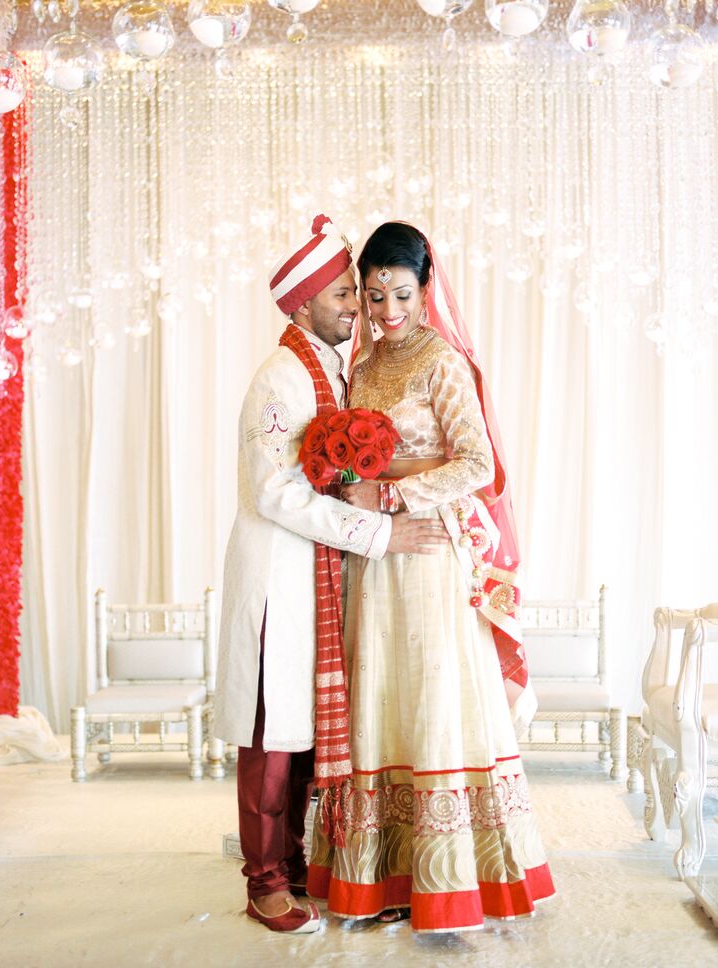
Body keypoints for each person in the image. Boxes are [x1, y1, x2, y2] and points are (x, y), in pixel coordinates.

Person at [307, 221, 555, 933]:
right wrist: (349, 483)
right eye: (375, 295)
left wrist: (390, 489)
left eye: (401, 295)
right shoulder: (361, 367)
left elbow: (478, 467)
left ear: (426, 291)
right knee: (377, 695)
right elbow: (353, 466)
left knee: (434, 698)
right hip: (371, 558)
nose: (387, 313)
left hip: (429, 558)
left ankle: (449, 884)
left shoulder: (441, 362)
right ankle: (376, 876)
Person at [214, 215, 450, 935]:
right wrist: (378, 530)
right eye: (344, 293)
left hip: (312, 578)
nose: (357, 306)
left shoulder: (326, 369)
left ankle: (287, 868)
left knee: (299, 736)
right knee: (269, 741)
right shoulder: (282, 378)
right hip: (275, 582)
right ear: (300, 303)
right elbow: (276, 494)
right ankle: (263, 885)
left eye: (356, 292)